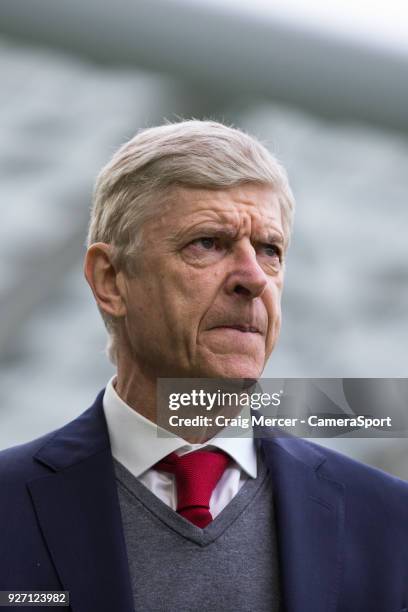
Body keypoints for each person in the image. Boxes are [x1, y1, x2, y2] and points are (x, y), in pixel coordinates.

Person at [0, 120, 407, 612]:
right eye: (208, 243)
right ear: (110, 280)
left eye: (269, 251)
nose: (253, 278)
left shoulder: (389, 523)